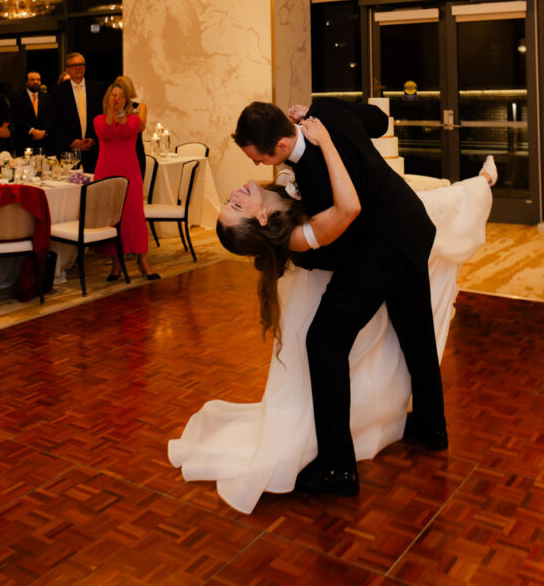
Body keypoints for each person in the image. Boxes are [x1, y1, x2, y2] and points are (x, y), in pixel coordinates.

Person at [169, 121, 496, 513]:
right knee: (394, 331)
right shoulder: (296, 236)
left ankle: (358, 458)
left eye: (230, 201)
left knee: (351, 338)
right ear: (258, 221)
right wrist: (322, 140)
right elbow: (348, 208)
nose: (235, 193)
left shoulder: (286, 193)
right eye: (236, 206)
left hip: (392, 237)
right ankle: (406, 435)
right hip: (392, 237)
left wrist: (296, 165)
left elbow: (313, 180)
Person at [229, 97, 449, 498]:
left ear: (278, 149)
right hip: (411, 223)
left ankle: (338, 469)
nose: (258, 168)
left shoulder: (312, 179)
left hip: (380, 247)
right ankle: (433, 426)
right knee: (416, 331)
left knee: (324, 342)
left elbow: (335, 252)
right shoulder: (325, 110)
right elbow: (379, 121)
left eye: (258, 159)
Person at [93, 81, 159, 281]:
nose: (117, 99)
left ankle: (143, 262)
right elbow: (105, 132)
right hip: (106, 172)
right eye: (113, 95)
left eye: (121, 96)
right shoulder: (98, 119)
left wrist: (121, 113)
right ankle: (116, 265)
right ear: (107, 98)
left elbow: (126, 131)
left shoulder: (133, 119)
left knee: (134, 215)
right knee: (111, 219)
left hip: (129, 172)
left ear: (126, 100)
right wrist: (112, 114)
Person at [49, 53, 102, 173]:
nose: (78, 68)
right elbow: (54, 123)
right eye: (74, 65)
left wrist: (94, 139)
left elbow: (102, 117)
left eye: (81, 64)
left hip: (93, 151)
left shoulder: (97, 88)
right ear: (67, 69)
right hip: (68, 153)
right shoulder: (58, 91)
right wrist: (72, 141)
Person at [10, 71, 51, 155]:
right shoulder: (17, 98)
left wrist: (43, 132)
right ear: (26, 82)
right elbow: (16, 117)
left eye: (38, 80)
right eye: (32, 80)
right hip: (24, 141)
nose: (36, 82)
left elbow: (51, 117)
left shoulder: (47, 98)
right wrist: (32, 131)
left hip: (44, 142)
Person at [115, 74, 147, 176]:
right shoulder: (112, 109)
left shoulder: (140, 107)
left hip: (135, 151)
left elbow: (140, 128)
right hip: (118, 151)